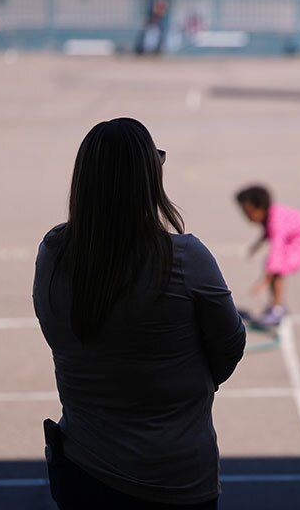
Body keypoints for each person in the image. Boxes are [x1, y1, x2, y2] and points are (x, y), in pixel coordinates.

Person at [34, 118, 246, 509]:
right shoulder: (184, 258)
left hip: (83, 472)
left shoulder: (53, 253)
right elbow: (230, 348)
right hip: (174, 477)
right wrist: (181, 384)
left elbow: (55, 331)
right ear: (148, 180)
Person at [235, 184, 300, 326]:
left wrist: (265, 279)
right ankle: (276, 305)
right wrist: (257, 245)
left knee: (277, 270)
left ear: (260, 208)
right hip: (295, 239)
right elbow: (267, 232)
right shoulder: (270, 215)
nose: (247, 217)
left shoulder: (276, 222)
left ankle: (277, 309)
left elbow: (277, 251)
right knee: (274, 268)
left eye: (249, 213)